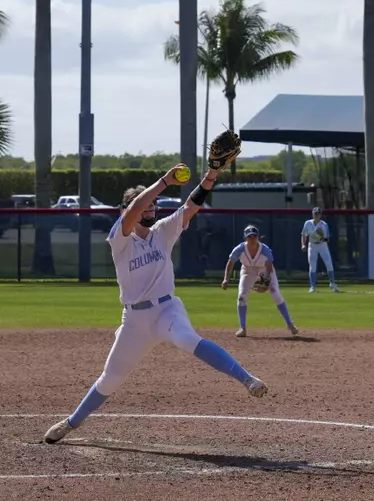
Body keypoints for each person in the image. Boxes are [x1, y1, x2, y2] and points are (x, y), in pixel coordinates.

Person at [44, 162, 267, 445]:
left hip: (167, 310)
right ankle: (71, 423)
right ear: (127, 210)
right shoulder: (120, 240)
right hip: (135, 321)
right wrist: (164, 180)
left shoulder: (163, 230)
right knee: (110, 379)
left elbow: (191, 206)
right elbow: (136, 205)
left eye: (153, 205)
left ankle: (247, 379)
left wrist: (212, 174)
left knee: (188, 338)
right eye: (145, 206)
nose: (150, 209)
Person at [223, 224, 299, 338]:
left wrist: (266, 283)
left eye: (254, 236)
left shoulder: (265, 250)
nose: (252, 239)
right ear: (245, 238)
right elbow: (230, 263)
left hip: (264, 270)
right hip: (247, 271)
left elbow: (269, 268)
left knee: (275, 293)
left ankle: (289, 323)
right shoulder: (239, 249)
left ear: (258, 237)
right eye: (249, 237)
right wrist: (226, 279)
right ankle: (242, 328)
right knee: (241, 296)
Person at [300, 206, 339, 293]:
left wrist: (320, 237)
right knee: (312, 266)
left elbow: (327, 239)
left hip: (322, 245)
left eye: (318, 214)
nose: (317, 216)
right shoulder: (308, 223)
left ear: (321, 215)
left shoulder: (324, 225)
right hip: (312, 245)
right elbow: (304, 234)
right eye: (315, 214)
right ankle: (313, 286)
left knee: (328, 263)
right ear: (312, 214)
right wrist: (303, 244)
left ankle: (332, 283)